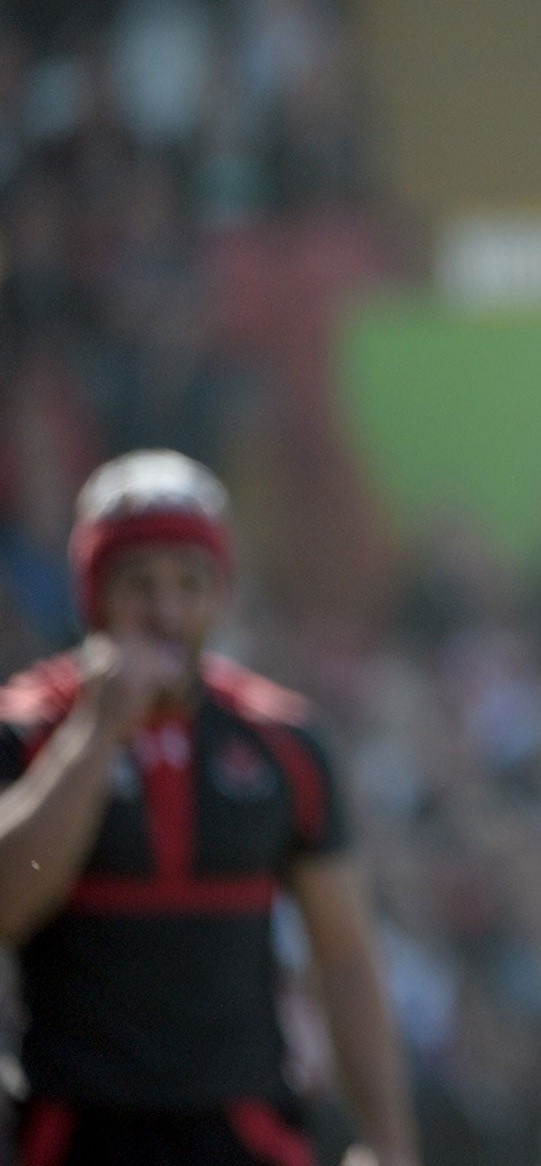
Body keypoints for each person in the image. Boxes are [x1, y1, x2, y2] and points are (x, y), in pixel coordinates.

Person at [0, 450, 418, 1166]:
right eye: (139, 585)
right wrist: (99, 733)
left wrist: (388, 1143)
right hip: (74, 1134)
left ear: (220, 593)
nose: (167, 612)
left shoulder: (284, 743)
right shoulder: (28, 730)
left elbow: (344, 955)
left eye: (190, 584)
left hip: (244, 1130)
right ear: (92, 592)